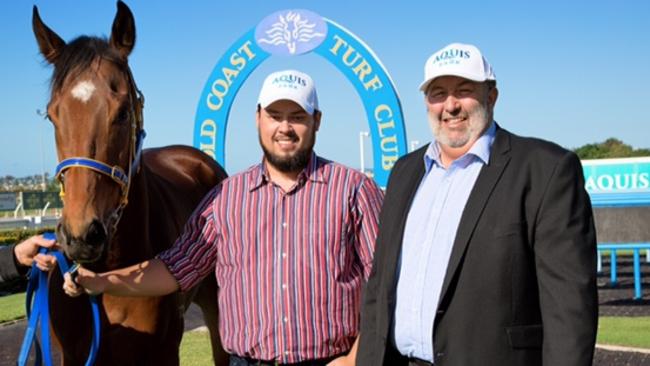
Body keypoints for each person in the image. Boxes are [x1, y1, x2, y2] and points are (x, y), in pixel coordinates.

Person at [63, 69, 385, 366]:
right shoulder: (225, 198)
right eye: (275, 115)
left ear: (317, 120)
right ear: (258, 118)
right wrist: (100, 281)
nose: (284, 127)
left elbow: (385, 286)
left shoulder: (355, 191)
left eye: (297, 116)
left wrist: (353, 359)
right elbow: (175, 268)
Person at [355, 43, 598, 366]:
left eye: (464, 90)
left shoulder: (545, 170)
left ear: (491, 96)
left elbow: (570, 305)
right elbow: (379, 285)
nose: (450, 105)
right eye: (438, 93)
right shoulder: (405, 171)